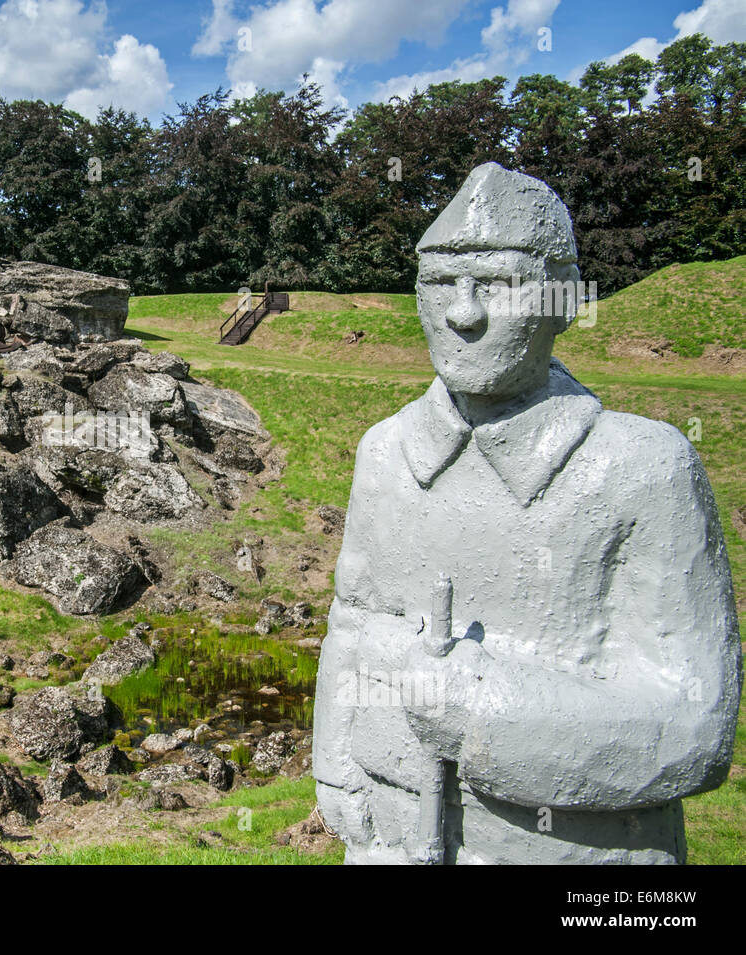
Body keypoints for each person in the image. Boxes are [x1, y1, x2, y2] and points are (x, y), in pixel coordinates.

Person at [311, 163, 741, 865]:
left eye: (500, 284)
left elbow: (694, 724)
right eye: (441, 282)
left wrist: (482, 715)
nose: (464, 313)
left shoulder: (643, 466)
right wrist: (336, 767)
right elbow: (353, 620)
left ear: (564, 299)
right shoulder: (385, 454)